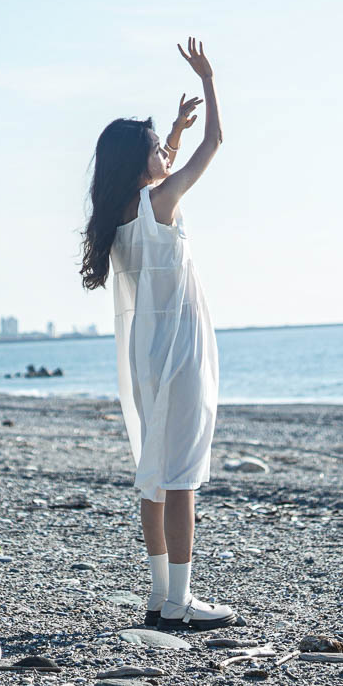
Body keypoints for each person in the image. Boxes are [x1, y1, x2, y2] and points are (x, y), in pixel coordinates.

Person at [79, 36, 237, 631]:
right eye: (157, 149)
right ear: (143, 163)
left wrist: (168, 131)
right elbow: (215, 144)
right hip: (180, 348)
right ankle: (181, 601)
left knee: (154, 468)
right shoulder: (161, 201)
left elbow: (158, 173)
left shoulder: (118, 214)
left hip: (145, 351)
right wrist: (211, 80)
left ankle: (158, 594)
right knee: (181, 475)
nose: (164, 155)